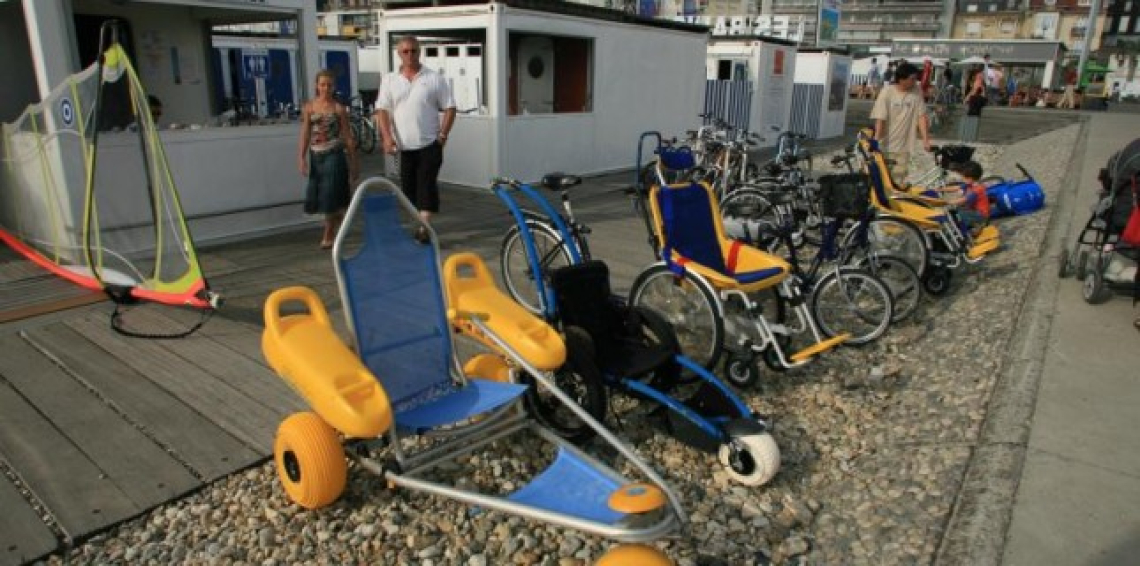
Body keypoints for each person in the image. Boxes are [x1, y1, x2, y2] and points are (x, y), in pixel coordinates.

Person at [375, 35, 458, 244]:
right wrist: (386, 138)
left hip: (430, 143)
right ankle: (420, 223)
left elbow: (450, 107)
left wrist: (443, 135)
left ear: (419, 52)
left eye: (413, 51)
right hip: (404, 147)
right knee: (408, 190)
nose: (410, 55)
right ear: (399, 54)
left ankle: (424, 229)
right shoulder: (390, 80)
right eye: (405, 51)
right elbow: (382, 110)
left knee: (426, 184)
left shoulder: (433, 78)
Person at [298, 69, 358, 249]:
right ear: (317, 86)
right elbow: (305, 133)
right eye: (322, 84)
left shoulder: (339, 109)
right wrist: (301, 157)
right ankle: (338, 226)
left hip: (334, 154)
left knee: (330, 195)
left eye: (329, 85)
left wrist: (354, 161)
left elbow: (347, 135)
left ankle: (328, 233)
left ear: (334, 87)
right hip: (316, 155)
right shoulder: (309, 107)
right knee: (323, 194)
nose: (326, 88)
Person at [871, 62, 932, 183]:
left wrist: (925, 139)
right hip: (885, 145)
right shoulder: (887, 92)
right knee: (880, 180)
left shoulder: (916, 91)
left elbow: (921, 116)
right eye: (912, 79)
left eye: (916, 78)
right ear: (901, 79)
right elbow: (880, 118)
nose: (915, 82)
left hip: (904, 146)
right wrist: (876, 141)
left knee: (898, 180)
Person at [941, 160, 990, 237]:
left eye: (963, 177)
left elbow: (964, 200)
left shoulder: (977, 189)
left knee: (960, 212)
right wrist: (940, 189)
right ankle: (968, 227)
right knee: (959, 209)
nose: (962, 179)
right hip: (975, 212)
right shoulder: (969, 184)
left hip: (982, 216)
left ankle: (977, 226)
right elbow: (955, 188)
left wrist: (948, 202)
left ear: (970, 178)